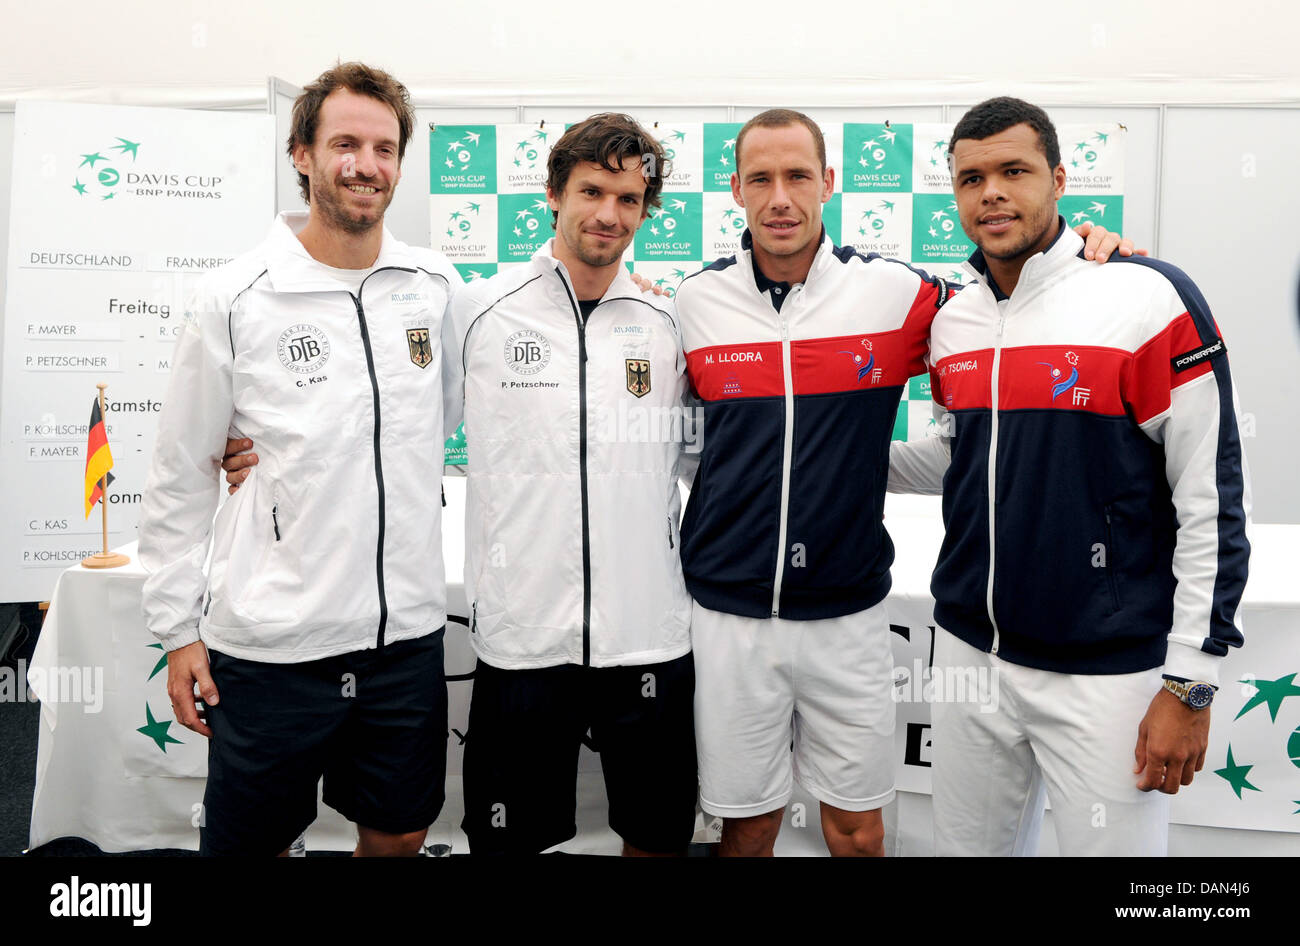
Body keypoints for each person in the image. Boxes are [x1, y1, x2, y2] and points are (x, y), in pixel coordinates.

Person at [672, 108, 1135, 857]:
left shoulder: (898, 293)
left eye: (797, 176)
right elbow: (681, 444)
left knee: (855, 831)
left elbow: (1007, 312)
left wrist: (1085, 254)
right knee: (747, 826)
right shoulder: (694, 304)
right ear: (734, 190)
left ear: (828, 182)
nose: (780, 197)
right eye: (761, 178)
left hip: (849, 614)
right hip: (727, 616)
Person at [887, 96, 1251, 855]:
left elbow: (1210, 500)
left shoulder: (1147, 297)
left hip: (1107, 670)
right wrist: (835, 463)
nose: (991, 192)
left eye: (1013, 171)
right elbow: (967, 462)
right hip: (968, 654)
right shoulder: (954, 321)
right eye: (971, 178)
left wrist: (1190, 684)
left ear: (1058, 180)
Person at [139, 62, 461, 856]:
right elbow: (181, 473)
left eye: (385, 148)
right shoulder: (235, 296)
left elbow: (448, 412)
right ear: (302, 154)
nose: (367, 165)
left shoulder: (436, 286)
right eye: (345, 142)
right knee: (254, 842)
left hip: (404, 635)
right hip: (274, 644)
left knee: (400, 831)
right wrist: (177, 629)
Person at [441, 113, 697, 856]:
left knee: (657, 835)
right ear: (553, 194)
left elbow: (703, 454)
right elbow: (398, 423)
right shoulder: (477, 310)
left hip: (647, 635)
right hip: (525, 638)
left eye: (628, 198)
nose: (608, 214)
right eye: (591, 190)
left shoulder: (667, 321)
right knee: (507, 839)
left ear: (647, 211)